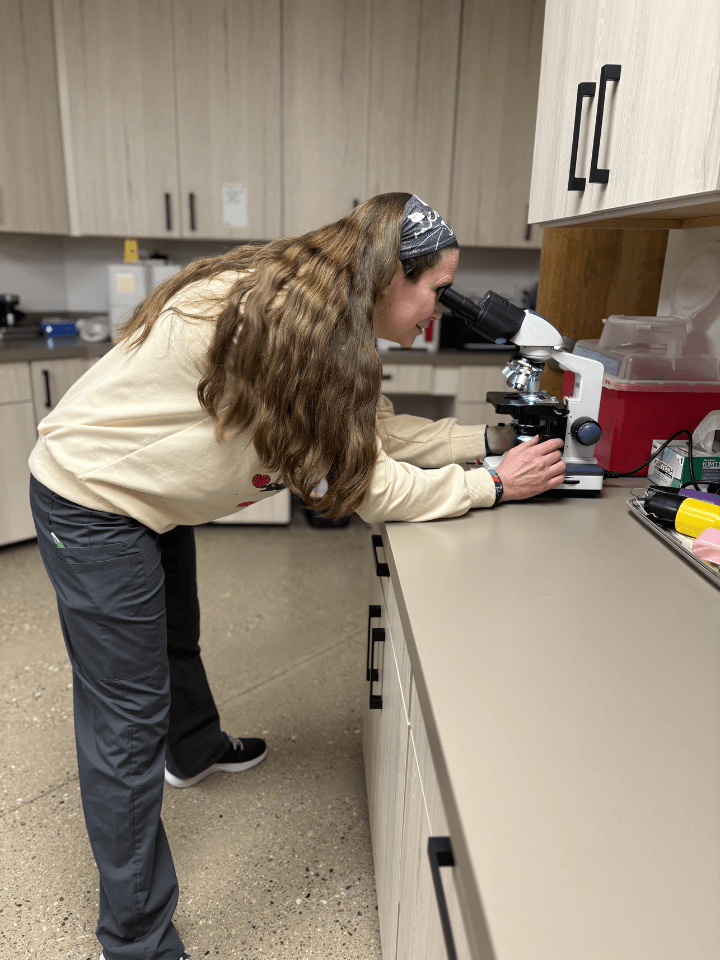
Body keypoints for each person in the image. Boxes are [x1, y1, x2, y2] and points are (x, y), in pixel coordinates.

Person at [28, 192, 565, 960]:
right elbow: (365, 484)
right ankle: (135, 938)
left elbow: (368, 428)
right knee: (124, 723)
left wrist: (484, 437)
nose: (440, 311)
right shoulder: (282, 330)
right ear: (387, 275)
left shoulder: (326, 317)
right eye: (436, 291)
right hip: (92, 499)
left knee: (177, 637)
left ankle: (194, 747)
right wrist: (493, 484)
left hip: (151, 496)